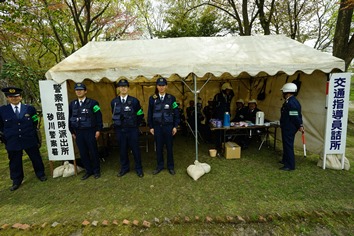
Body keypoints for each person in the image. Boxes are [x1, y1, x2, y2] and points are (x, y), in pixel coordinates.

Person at [0, 87, 47, 191]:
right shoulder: (2, 111)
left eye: (16, 96)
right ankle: (16, 180)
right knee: (14, 161)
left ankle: (40, 174)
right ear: (7, 98)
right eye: (11, 97)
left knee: (36, 157)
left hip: (29, 137)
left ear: (20, 97)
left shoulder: (29, 109)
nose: (14, 99)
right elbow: (1, 126)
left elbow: (35, 122)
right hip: (13, 140)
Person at [69, 83, 103, 180]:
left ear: (85, 91)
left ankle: (96, 171)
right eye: (77, 90)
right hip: (78, 132)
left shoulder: (93, 103)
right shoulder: (72, 104)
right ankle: (88, 171)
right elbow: (69, 118)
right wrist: (72, 131)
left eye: (81, 90)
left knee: (93, 151)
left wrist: (98, 130)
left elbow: (98, 117)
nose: (79, 91)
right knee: (83, 153)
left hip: (90, 131)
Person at [111, 79, 144, 178]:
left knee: (135, 150)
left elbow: (140, 114)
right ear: (118, 88)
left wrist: (134, 124)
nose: (123, 88)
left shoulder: (134, 101)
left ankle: (139, 169)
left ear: (128, 88)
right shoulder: (114, 102)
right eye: (121, 86)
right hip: (120, 130)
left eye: (125, 86)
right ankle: (124, 168)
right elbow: (113, 114)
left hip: (132, 129)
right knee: (122, 150)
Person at [148, 77, 180, 175]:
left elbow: (176, 113)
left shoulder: (171, 98)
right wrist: (151, 127)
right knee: (159, 147)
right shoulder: (152, 99)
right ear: (157, 86)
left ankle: (170, 166)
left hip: (168, 127)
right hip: (157, 127)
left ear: (166, 86)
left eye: (163, 85)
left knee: (169, 147)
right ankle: (160, 166)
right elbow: (149, 113)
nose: (161, 87)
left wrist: (175, 126)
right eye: (159, 85)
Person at [279, 83, 304, 171]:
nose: (282, 93)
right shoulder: (289, 101)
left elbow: (295, 116)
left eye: (283, 91)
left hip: (289, 127)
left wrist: (300, 125)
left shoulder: (292, 102)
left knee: (288, 145)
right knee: (286, 145)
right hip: (287, 126)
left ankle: (290, 165)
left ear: (287, 92)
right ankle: (285, 160)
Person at [212, 82, 234, 153]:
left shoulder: (228, 97)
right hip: (218, 117)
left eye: (229, 90)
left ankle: (223, 145)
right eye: (227, 90)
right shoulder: (218, 96)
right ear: (224, 89)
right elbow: (214, 107)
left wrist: (228, 114)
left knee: (224, 132)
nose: (229, 91)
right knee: (218, 132)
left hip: (225, 117)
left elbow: (228, 106)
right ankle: (218, 147)